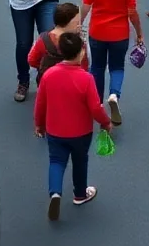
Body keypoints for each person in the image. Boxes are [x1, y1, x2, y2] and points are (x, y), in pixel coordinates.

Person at [34, 31, 111, 219]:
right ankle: (80, 194)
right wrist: (105, 122)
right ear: (82, 53)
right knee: (80, 161)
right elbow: (95, 107)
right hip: (81, 132)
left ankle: (55, 193)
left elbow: (40, 103)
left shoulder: (49, 75)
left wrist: (39, 124)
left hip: (55, 130)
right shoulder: (86, 78)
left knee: (56, 161)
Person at [80, 0, 143, 126]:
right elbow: (132, 13)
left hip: (97, 32)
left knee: (97, 67)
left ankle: (97, 103)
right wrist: (139, 32)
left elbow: (86, 6)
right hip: (120, 35)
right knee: (117, 67)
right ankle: (114, 94)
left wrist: (80, 23)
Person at [28, 2, 87, 83]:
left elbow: (32, 60)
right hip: (72, 83)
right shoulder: (77, 42)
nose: (79, 25)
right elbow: (84, 65)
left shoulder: (43, 40)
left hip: (48, 82)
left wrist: (43, 67)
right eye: (77, 22)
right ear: (67, 22)